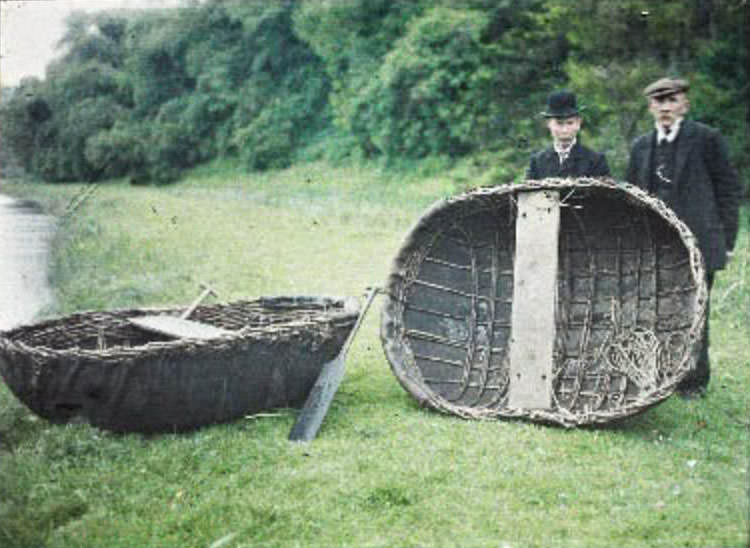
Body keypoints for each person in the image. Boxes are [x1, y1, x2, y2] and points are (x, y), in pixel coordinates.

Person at [625, 77, 742, 398]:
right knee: (656, 311)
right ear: (650, 107)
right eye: (658, 101)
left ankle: (693, 382)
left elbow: (728, 192)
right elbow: (631, 199)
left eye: (671, 100)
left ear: (684, 104)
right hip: (657, 246)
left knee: (694, 311)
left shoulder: (707, 140)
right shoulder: (641, 147)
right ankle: (659, 377)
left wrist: (727, 242)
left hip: (700, 243)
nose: (665, 107)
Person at [526, 90, 611, 179]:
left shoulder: (595, 161)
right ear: (548, 124)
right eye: (559, 123)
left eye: (570, 123)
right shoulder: (538, 161)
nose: (565, 130)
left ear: (578, 123)